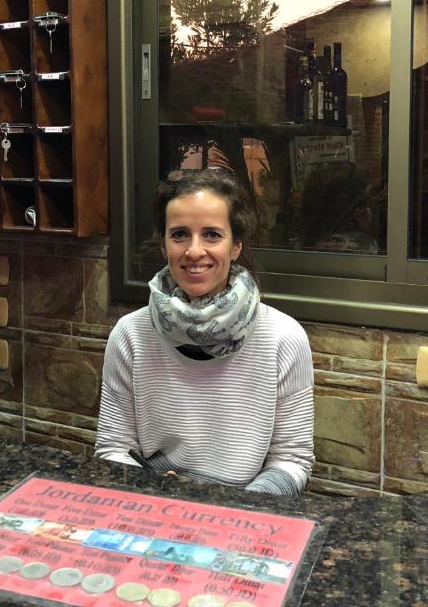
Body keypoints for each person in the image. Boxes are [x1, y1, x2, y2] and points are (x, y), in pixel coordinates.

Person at [94, 170, 315, 494]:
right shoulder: (131, 336)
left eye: (212, 235)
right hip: (155, 509)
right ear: (163, 244)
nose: (194, 251)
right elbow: (112, 448)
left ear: (236, 245)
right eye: (180, 234)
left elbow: (292, 461)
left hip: (245, 519)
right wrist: (156, 490)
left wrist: (235, 507)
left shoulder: (283, 339)